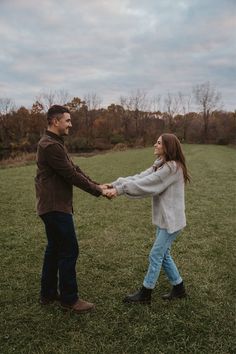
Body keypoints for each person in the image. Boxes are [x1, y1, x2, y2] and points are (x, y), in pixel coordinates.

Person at [35, 105, 110, 314]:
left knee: (55, 248)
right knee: (69, 249)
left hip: (52, 206)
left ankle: (48, 293)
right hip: (55, 207)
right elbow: (71, 175)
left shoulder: (55, 143)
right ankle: (69, 299)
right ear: (55, 121)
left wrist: (97, 184)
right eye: (67, 120)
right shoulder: (50, 145)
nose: (71, 124)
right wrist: (98, 191)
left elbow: (74, 169)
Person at [103, 133, 190, 304]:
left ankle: (145, 293)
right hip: (165, 220)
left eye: (158, 143)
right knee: (163, 255)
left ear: (167, 147)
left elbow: (147, 184)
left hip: (172, 221)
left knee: (156, 254)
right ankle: (179, 288)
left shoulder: (172, 168)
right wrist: (114, 184)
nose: (154, 145)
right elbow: (139, 178)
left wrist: (119, 191)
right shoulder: (160, 164)